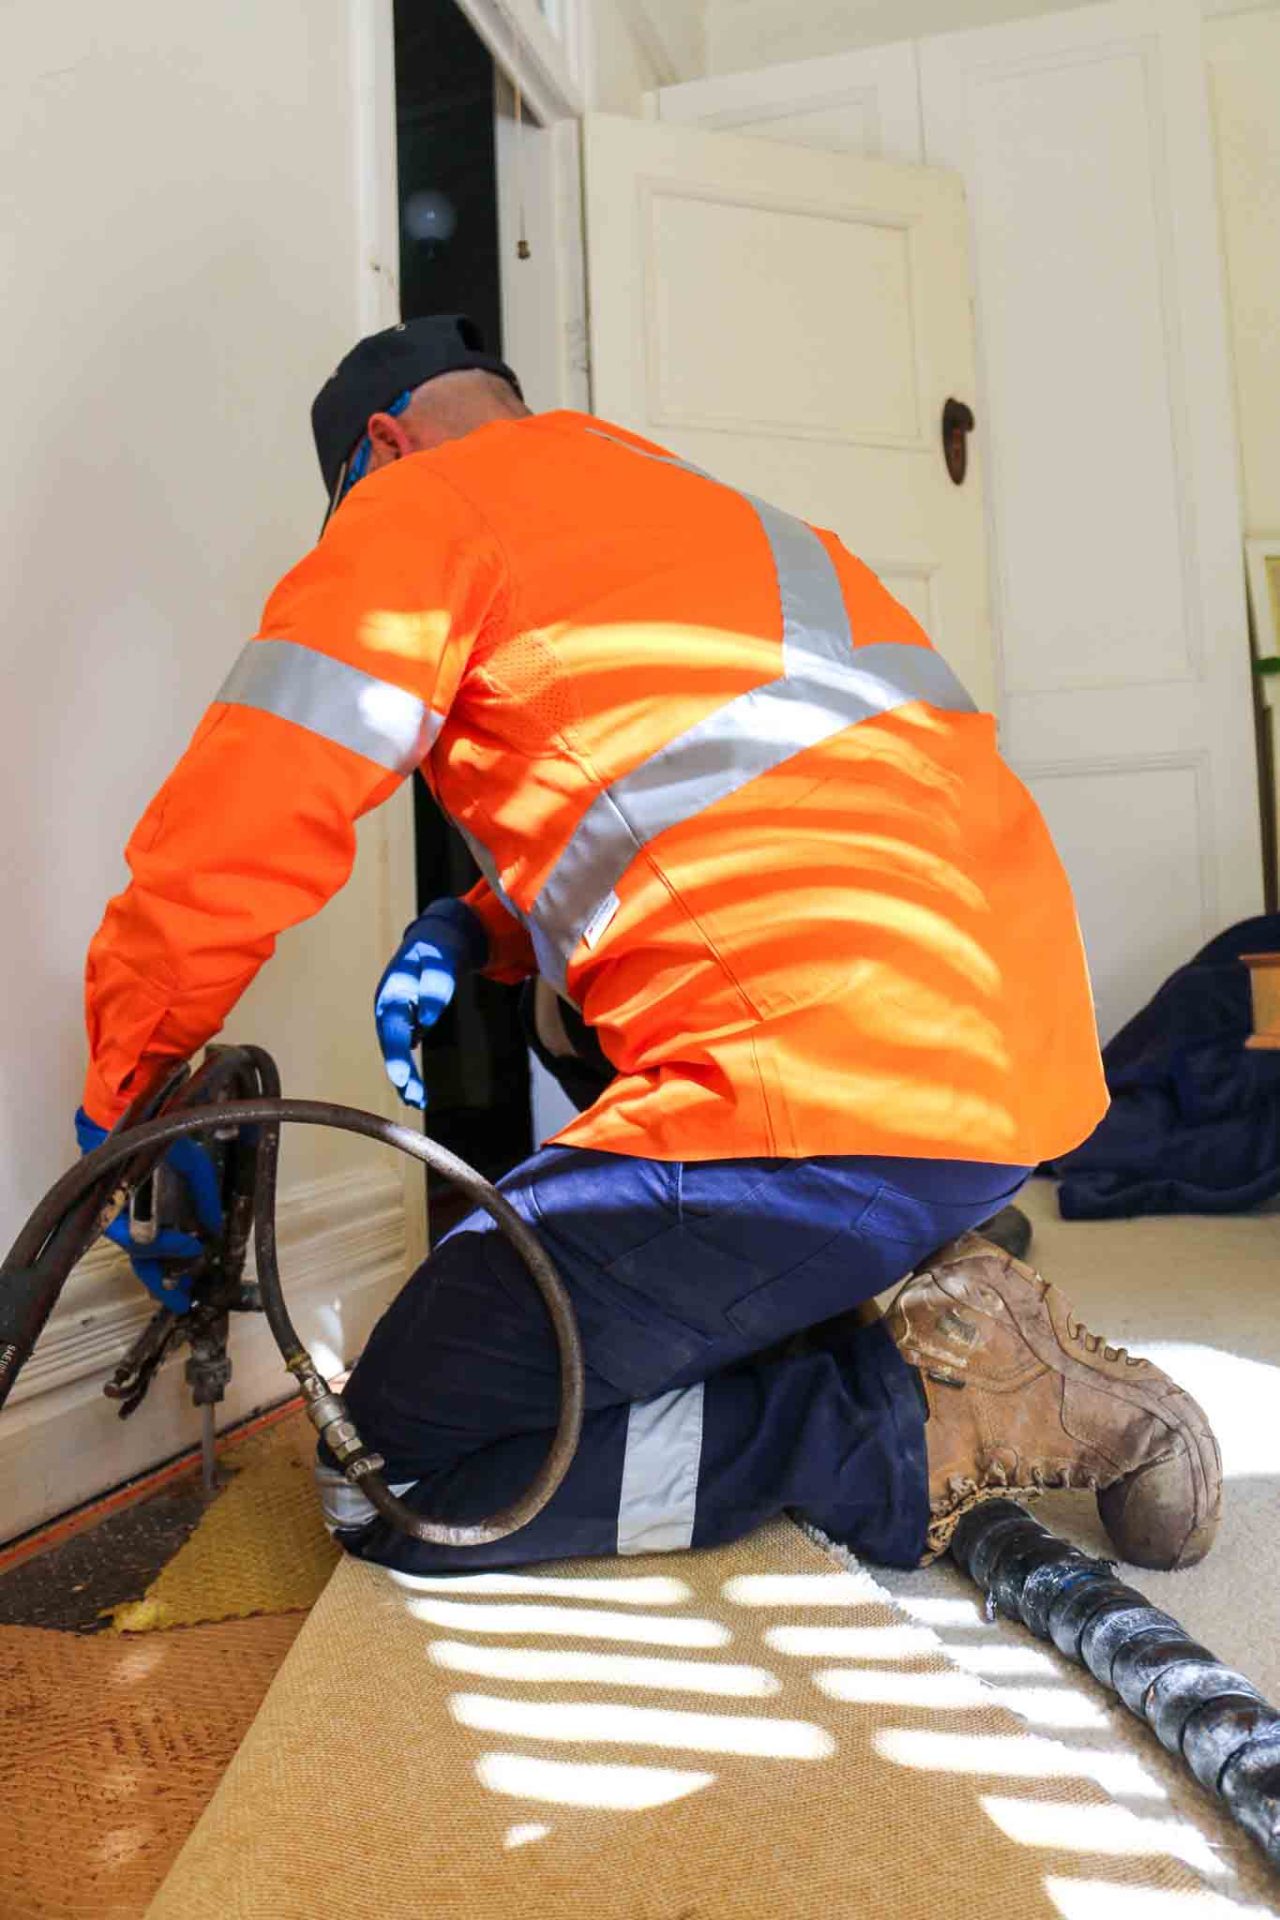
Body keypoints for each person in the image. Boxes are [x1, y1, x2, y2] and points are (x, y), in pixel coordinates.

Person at [78, 315, 1221, 1576]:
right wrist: (479, 926)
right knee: (558, 1012)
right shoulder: (707, 511)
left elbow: (233, 829)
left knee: (392, 1478)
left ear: (382, 446)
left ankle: (910, 1422)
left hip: (828, 1104)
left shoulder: (414, 506)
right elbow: (751, 800)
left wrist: (130, 1097)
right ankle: (892, 1284)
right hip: (1004, 1078)